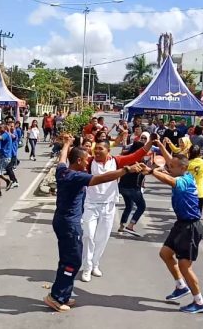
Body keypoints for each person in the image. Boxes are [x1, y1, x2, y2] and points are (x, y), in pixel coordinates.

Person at [43, 133, 143, 312]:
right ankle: (56, 297)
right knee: (72, 261)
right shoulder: (76, 176)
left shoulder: (63, 171)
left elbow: (62, 158)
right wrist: (127, 170)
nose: (89, 159)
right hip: (69, 225)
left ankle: (63, 295)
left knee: (67, 260)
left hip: (61, 221)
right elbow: (101, 179)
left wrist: (67, 144)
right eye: (86, 158)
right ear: (80, 161)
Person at [80, 134, 156, 282]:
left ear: (108, 151)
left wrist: (151, 142)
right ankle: (87, 267)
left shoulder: (117, 161)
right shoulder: (89, 162)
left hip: (108, 205)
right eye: (96, 149)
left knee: (102, 237)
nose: (96, 151)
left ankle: (95, 264)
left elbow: (138, 154)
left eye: (100, 149)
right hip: (91, 204)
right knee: (88, 235)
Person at [141, 154, 203, 314]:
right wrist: (161, 146)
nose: (168, 167)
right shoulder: (184, 173)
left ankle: (199, 302)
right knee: (165, 253)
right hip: (181, 224)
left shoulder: (184, 181)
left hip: (190, 227)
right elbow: (172, 170)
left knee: (185, 266)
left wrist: (152, 172)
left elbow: (171, 180)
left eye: (172, 166)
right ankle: (181, 286)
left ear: (183, 168)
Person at [0, 123, 17, 197]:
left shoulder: (5, 134)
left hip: (4, 157)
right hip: (3, 157)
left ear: (4, 129)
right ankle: (8, 181)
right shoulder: (4, 133)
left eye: (0, 127)